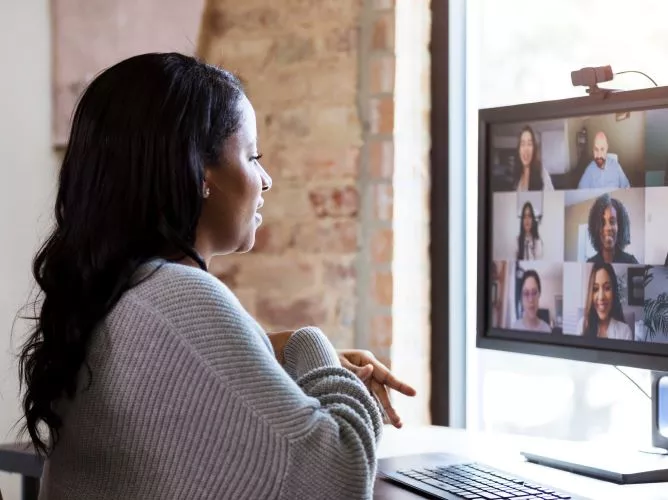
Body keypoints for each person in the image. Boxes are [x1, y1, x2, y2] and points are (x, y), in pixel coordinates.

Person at [17, 53, 416, 500]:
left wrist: (267, 349)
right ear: (200, 170)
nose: (265, 181)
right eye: (252, 156)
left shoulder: (112, 292)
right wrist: (311, 344)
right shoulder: (178, 294)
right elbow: (337, 479)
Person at [576, 262, 633, 340]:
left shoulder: (625, 332)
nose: (601, 297)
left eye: (607, 288)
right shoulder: (582, 325)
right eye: (595, 289)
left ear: (614, 292)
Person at [586, 193, 638, 264]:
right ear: (595, 228)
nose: (608, 228)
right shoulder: (590, 263)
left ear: (620, 226)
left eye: (612, 222)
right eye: (602, 222)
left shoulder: (631, 262)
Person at [514, 125, 554, 192]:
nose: (526, 149)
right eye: (522, 144)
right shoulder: (518, 176)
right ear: (519, 149)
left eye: (529, 144)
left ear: (534, 149)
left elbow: (552, 199)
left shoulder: (542, 173)